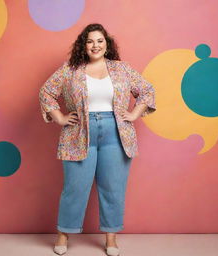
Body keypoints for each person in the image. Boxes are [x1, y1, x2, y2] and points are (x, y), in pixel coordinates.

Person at [39, 23, 156, 256]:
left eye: (100, 41)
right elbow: (47, 92)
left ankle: (111, 239)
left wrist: (133, 114)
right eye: (90, 41)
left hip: (116, 133)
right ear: (84, 45)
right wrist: (60, 117)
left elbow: (147, 90)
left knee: (113, 187)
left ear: (107, 44)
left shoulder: (121, 68)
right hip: (79, 132)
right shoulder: (70, 69)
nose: (95, 45)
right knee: (74, 188)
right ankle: (63, 234)